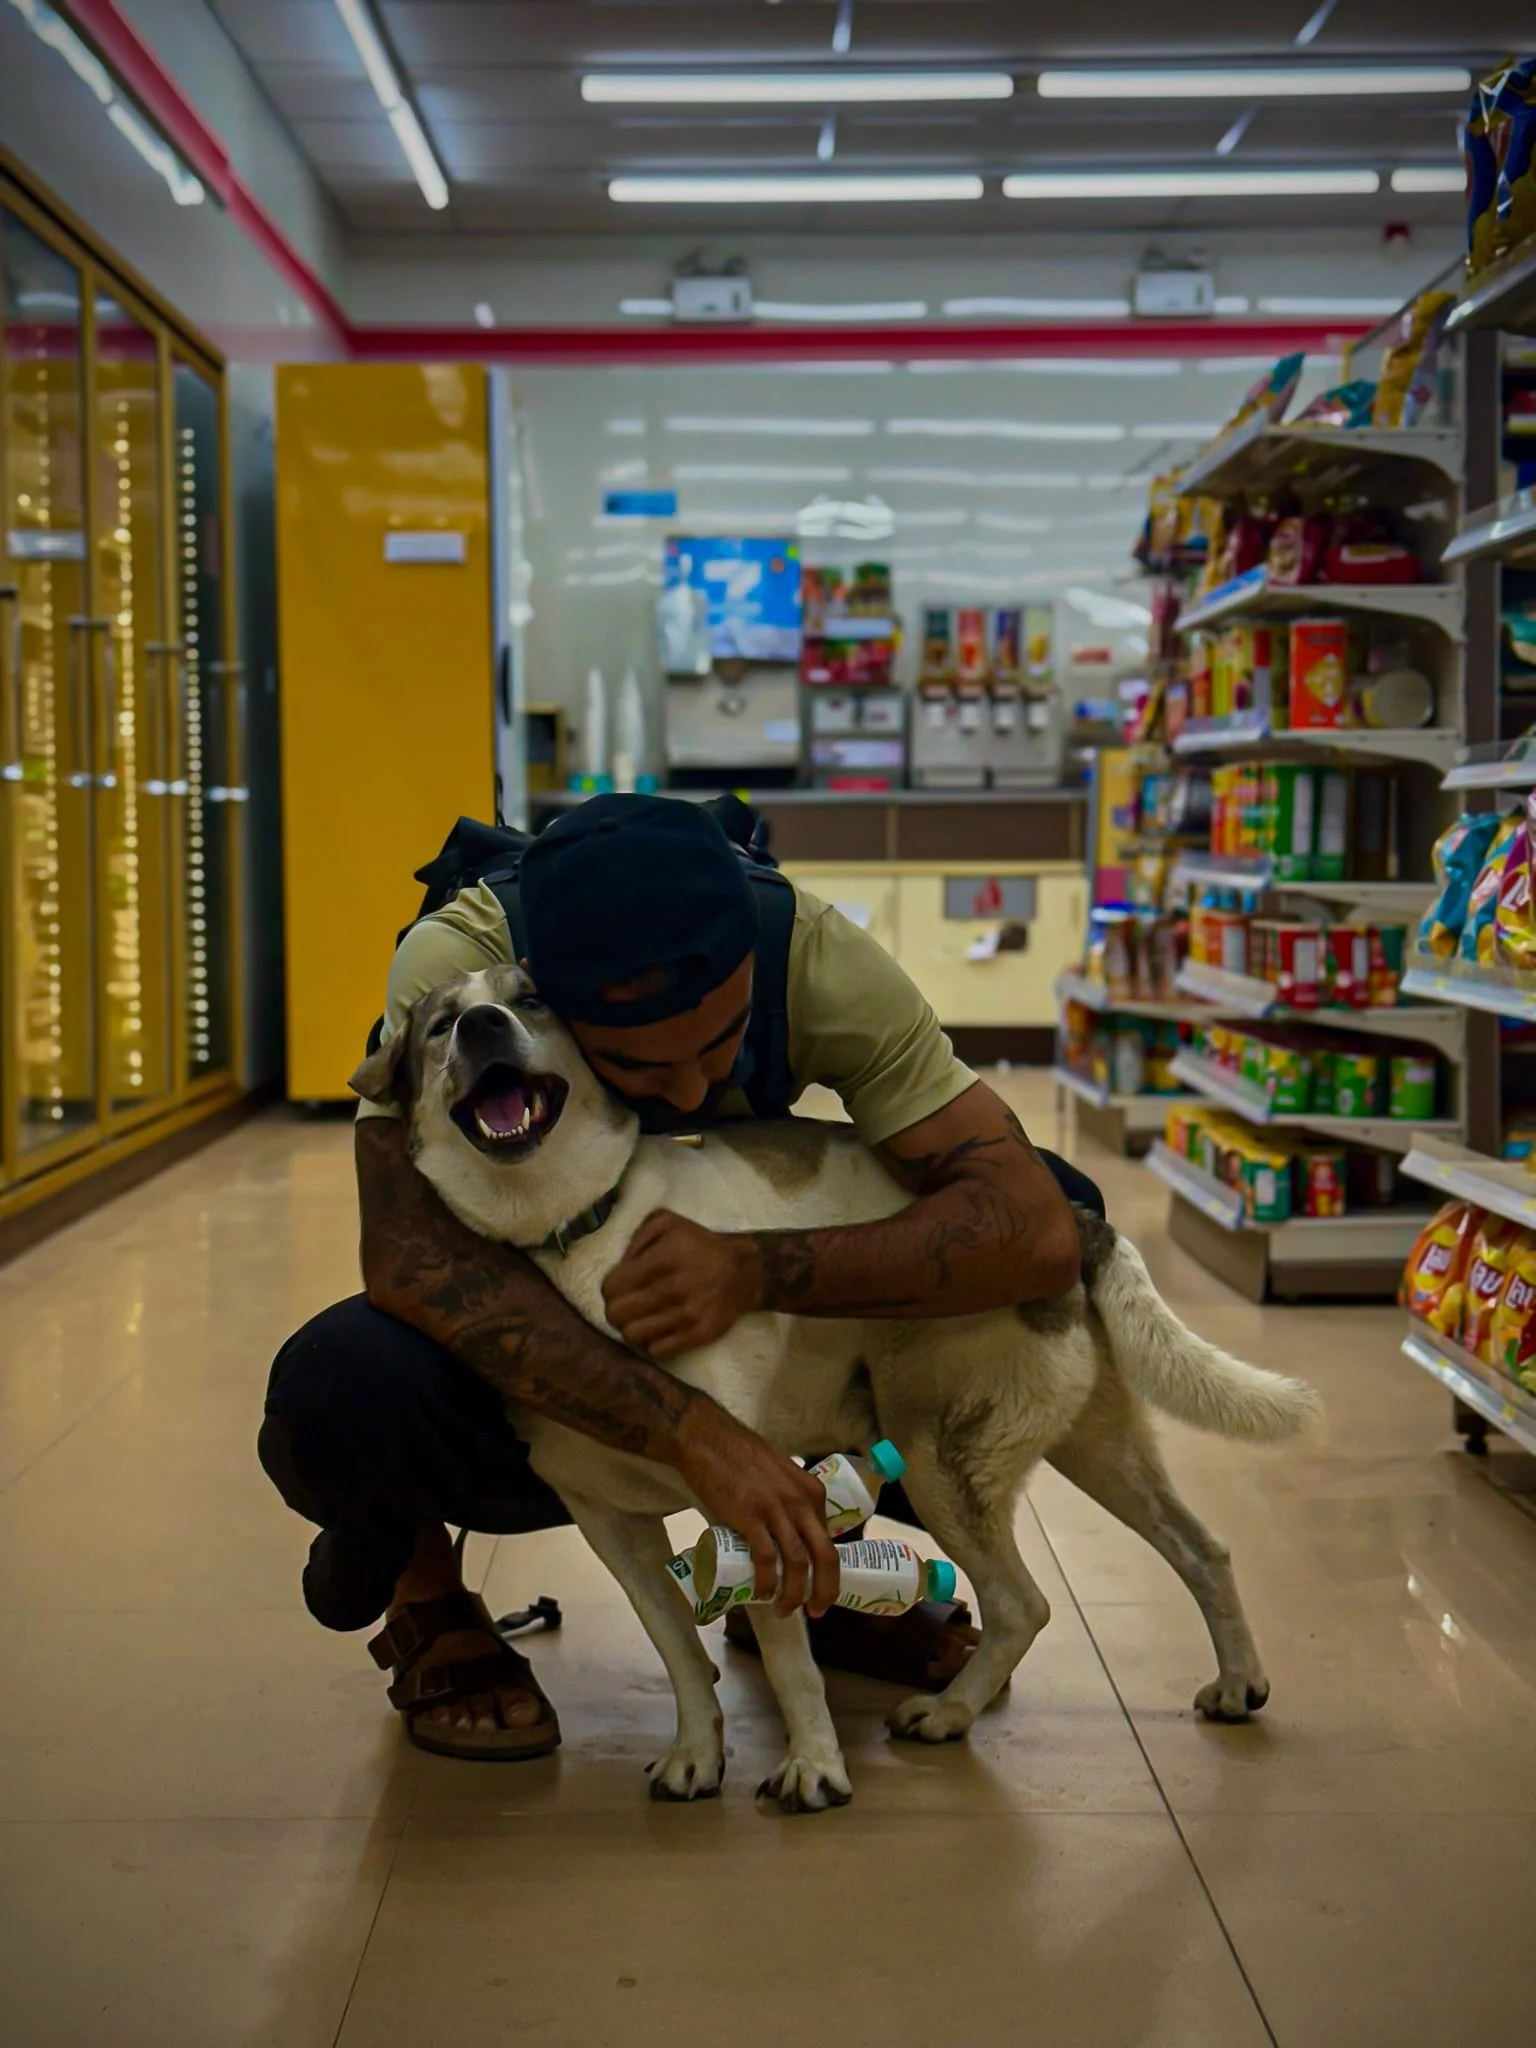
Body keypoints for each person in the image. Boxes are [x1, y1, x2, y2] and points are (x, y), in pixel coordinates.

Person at [259, 795, 1103, 1761]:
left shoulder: (814, 954)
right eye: (635, 1067)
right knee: (345, 1382)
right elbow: (409, 1260)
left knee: (1055, 1220)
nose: (693, 1089)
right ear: (552, 1000)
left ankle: (809, 1562)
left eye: (721, 1043)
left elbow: (1032, 1229)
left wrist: (757, 1267)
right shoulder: (463, 973)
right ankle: (425, 1592)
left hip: (735, 1327)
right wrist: (697, 1437)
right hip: (549, 1388)